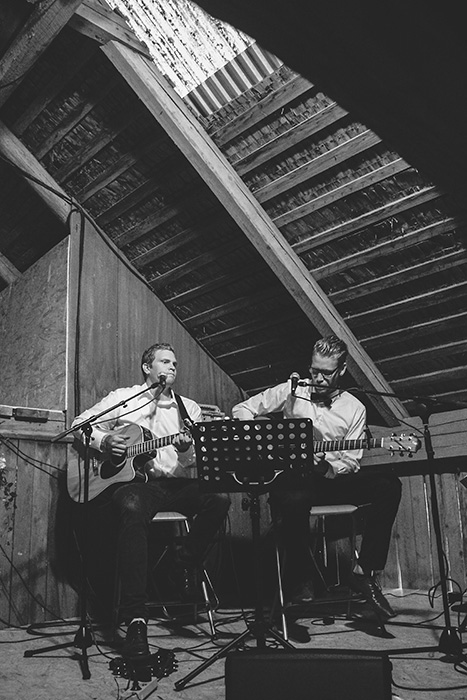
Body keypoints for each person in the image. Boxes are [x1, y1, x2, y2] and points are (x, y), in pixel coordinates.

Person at [71, 342, 231, 658]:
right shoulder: (123, 399)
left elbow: (194, 460)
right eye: (164, 362)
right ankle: (136, 619)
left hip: (180, 485)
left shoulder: (190, 409)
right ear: (148, 368)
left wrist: (185, 447)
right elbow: (79, 425)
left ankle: (183, 559)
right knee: (130, 506)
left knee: (220, 499)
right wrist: (106, 441)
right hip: (143, 485)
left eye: (174, 363)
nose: (172, 367)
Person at [231, 334, 401, 621]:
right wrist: (271, 441)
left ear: (343, 370)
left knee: (388, 485)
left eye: (326, 373)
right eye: (314, 370)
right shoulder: (291, 390)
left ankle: (364, 572)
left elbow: (351, 461)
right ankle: (301, 578)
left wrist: (325, 468)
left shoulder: (354, 408)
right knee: (294, 497)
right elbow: (242, 409)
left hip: (329, 480)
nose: (318, 378)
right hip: (292, 479)